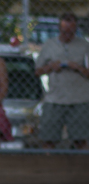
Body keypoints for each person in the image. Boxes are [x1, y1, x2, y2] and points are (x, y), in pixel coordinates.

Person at [35, 13, 89, 149]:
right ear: (59, 28)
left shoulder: (84, 46)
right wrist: (51, 67)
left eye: (71, 31)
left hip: (79, 99)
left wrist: (77, 67)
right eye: (64, 31)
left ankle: (81, 167)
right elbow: (38, 71)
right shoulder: (49, 45)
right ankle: (48, 166)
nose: (68, 35)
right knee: (48, 138)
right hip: (55, 98)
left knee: (80, 139)